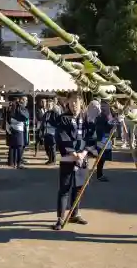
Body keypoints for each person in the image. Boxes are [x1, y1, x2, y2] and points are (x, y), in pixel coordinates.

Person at [53, 92, 89, 230]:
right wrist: (73, 152)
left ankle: (75, 213)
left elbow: (91, 134)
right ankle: (60, 218)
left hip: (82, 157)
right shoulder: (63, 119)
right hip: (68, 157)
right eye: (72, 102)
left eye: (77, 102)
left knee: (79, 187)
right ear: (67, 103)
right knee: (64, 188)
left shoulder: (85, 118)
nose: (74, 105)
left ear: (81, 103)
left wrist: (84, 152)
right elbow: (62, 136)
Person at [7, 96, 30, 169]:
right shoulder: (18, 107)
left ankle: (13, 162)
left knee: (14, 146)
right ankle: (18, 163)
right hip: (18, 129)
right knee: (19, 146)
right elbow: (25, 116)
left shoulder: (13, 107)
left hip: (13, 128)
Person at [42, 98, 60, 164]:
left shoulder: (55, 113)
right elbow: (43, 122)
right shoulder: (46, 113)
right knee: (46, 147)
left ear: (53, 106)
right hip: (46, 132)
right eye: (48, 105)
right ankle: (50, 159)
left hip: (53, 132)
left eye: (50, 105)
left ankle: (53, 160)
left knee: (52, 147)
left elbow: (58, 123)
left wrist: (50, 122)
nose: (48, 106)